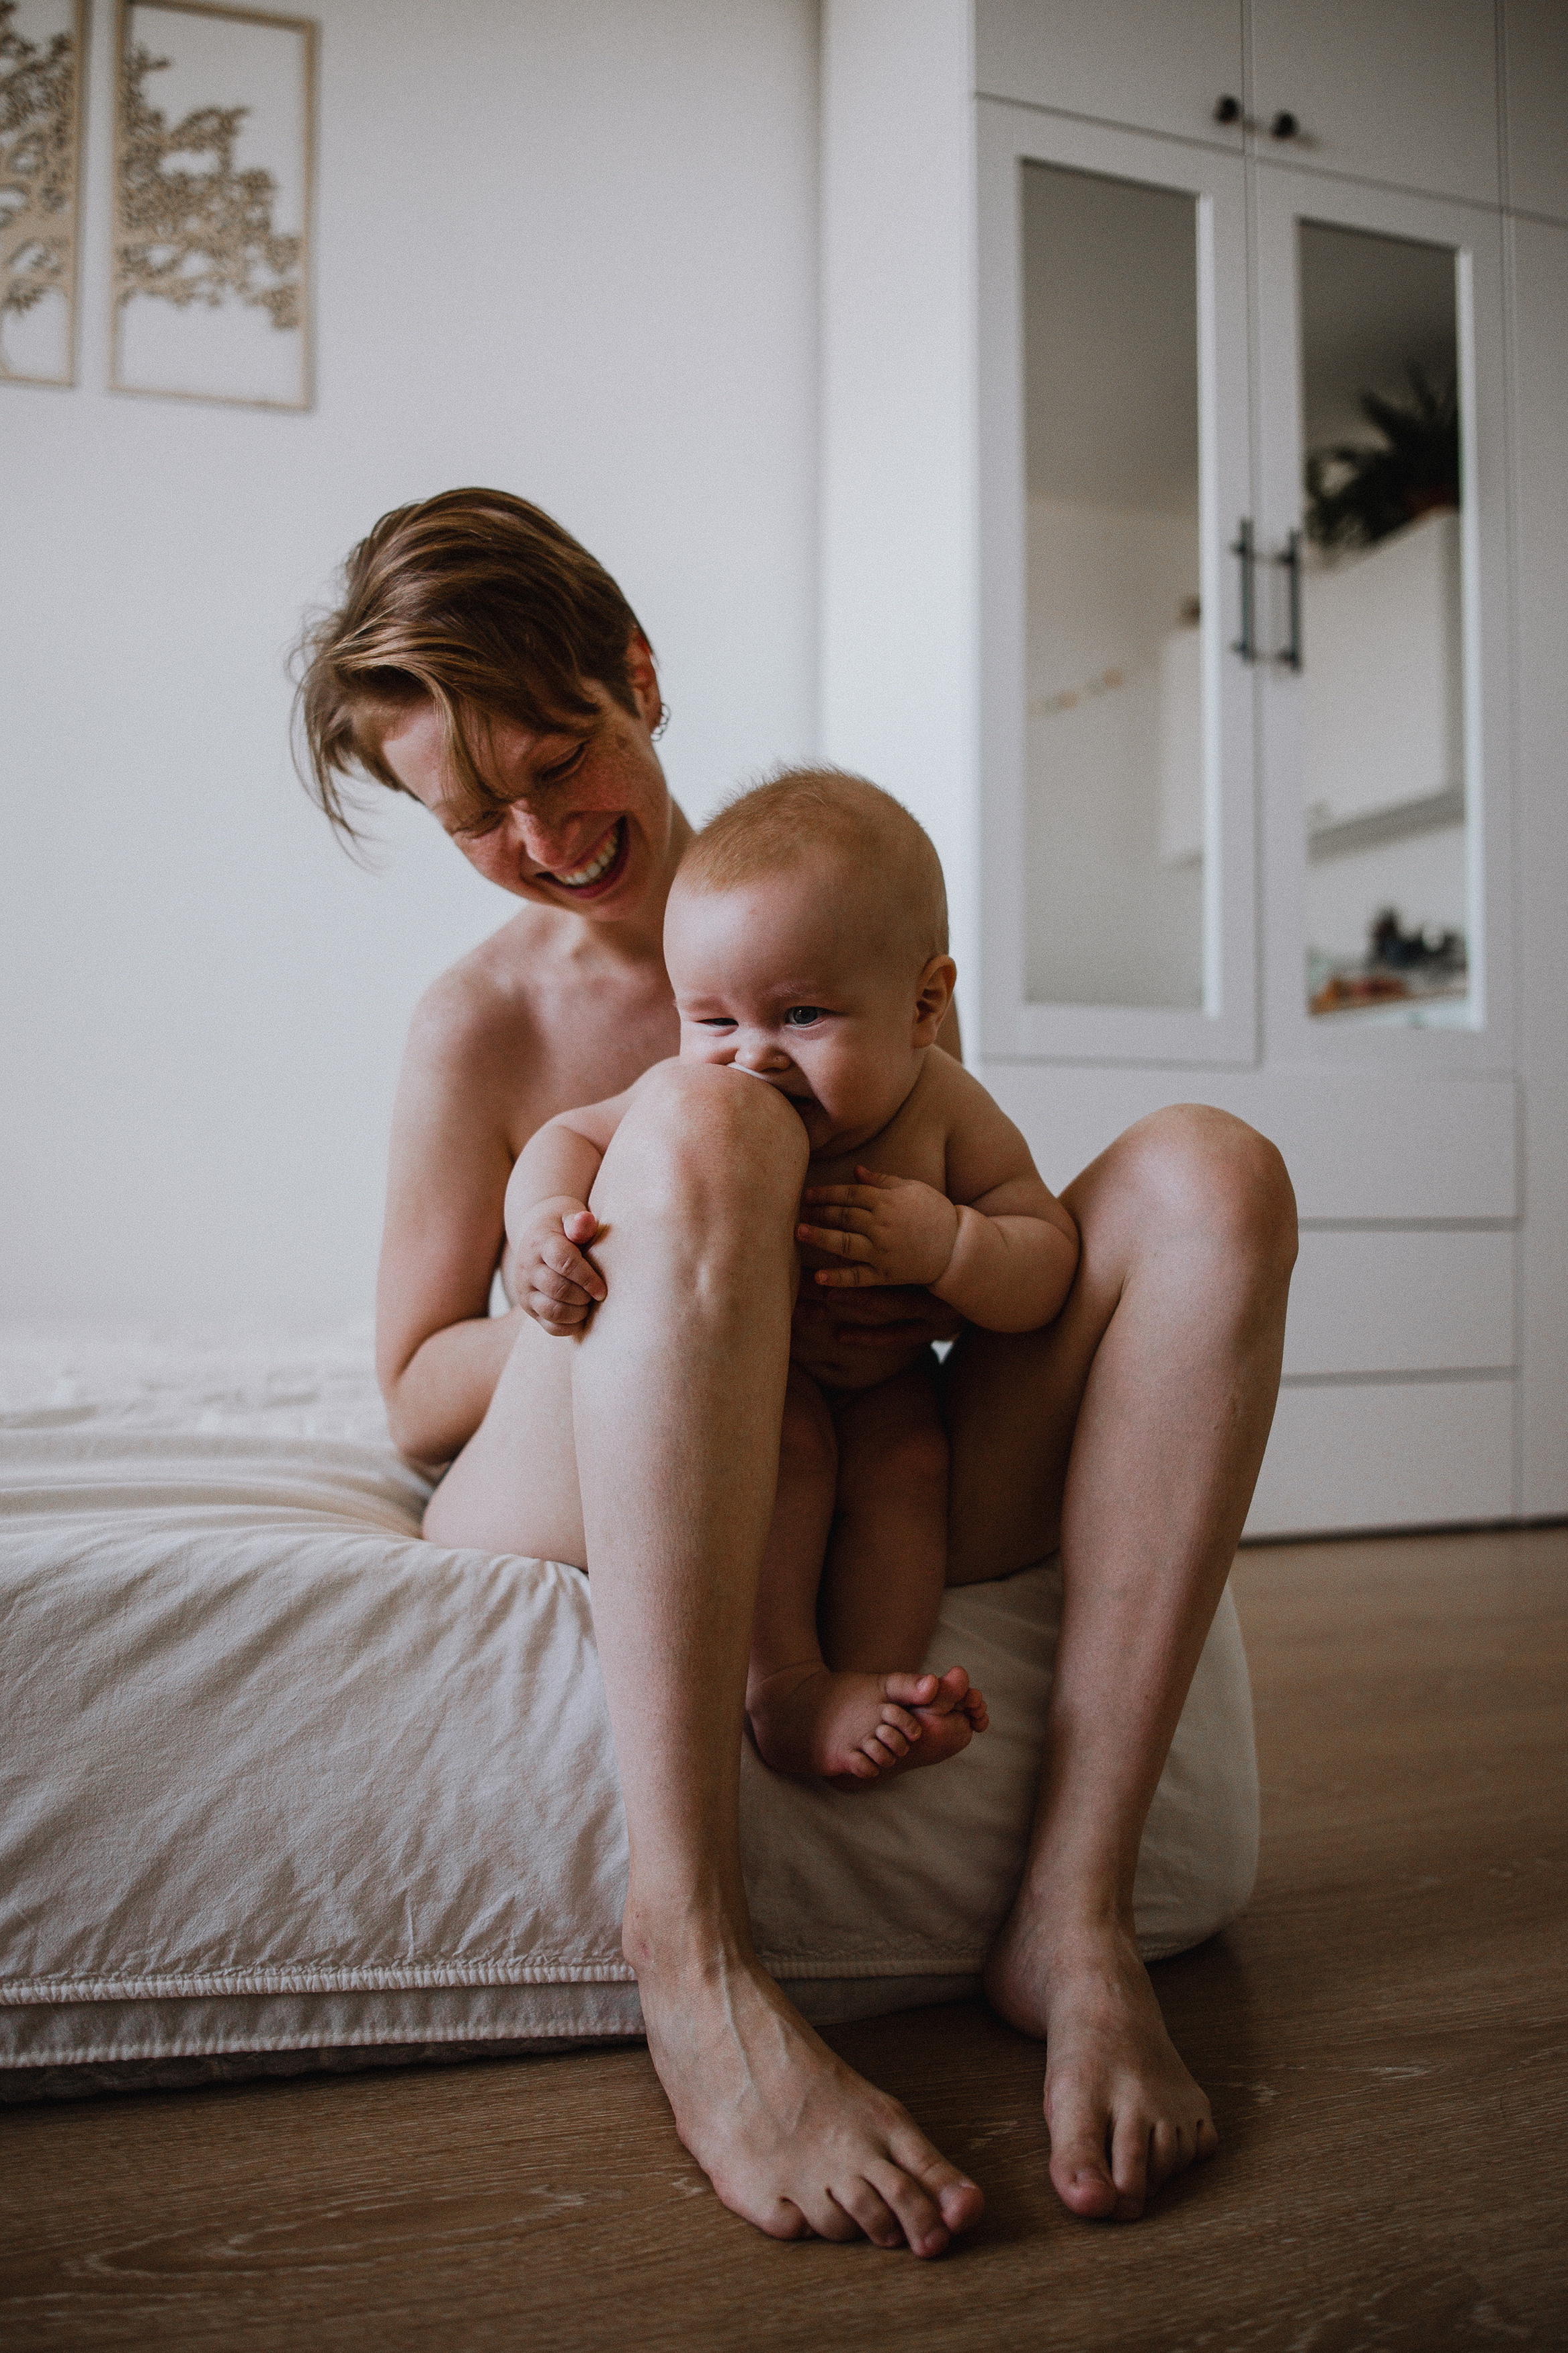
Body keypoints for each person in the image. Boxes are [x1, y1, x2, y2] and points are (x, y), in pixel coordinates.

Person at [295, 487, 1297, 2259]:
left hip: (871, 1438)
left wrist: (915, 1271)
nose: (539, 836)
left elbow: (970, 1219)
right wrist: (623, 1282)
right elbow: (412, 1388)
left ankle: (1072, 1916)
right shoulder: (485, 1026)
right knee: (706, 1128)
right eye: (474, 818)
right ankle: (690, 1947)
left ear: (636, 674)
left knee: (1214, 1173)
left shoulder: (841, 907)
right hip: (606, 1447)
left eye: (555, 760)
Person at [507, 767, 1079, 1786]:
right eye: (714, 1021)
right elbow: (568, 1136)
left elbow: (1044, 1256)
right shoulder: (683, 1096)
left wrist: (953, 1247)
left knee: (912, 1470)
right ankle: (781, 1683)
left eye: (803, 1014)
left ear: (923, 1004)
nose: (752, 1059)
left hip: (885, 1385)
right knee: (795, 1450)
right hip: (739, 1399)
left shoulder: (947, 1109)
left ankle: (872, 1676)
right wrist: (541, 1226)